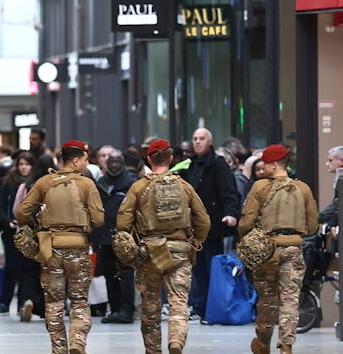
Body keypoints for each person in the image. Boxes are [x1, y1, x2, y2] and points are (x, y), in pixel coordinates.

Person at [117, 139, 210, 354]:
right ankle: (176, 342)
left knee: (150, 307)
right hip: (180, 251)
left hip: (150, 252)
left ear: (148, 160)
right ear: (171, 158)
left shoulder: (139, 187)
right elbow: (203, 219)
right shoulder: (185, 186)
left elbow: (122, 223)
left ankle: (153, 350)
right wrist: (197, 239)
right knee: (179, 303)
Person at [16, 141, 105, 354]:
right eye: (85, 159)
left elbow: (21, 213)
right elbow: (99, 219)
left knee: (54, 302)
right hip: (78, 247)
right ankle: (77, 342)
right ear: (75, 160)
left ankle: (59, 348)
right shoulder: (86, 184)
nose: (87, 163)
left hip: (51, 249)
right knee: (80, 301)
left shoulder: (45, 182)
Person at [239, 144, 318, 354]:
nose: (262, 168)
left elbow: (246, 222)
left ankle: (263, 342)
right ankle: (286, 346)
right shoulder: (303, 189)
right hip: (293, 249)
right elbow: (312, 226)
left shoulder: (259, 187)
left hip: (266, 252)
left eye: (265, 164)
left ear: (274, 165)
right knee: (290, 299)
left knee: (266, 300)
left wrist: (248, 235)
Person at [183, 128, 241, 319]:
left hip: (213, 224)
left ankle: (210, 308)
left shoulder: (217, 164)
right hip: (193, 226)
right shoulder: (189, 165)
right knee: (197, 268)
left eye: (201, 139)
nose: (198, 142)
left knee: (212, 267)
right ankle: (199, 307)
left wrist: (231, 214)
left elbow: (229, 191)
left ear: (210, 141)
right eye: (195, 139)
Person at [92, 151, 139, 323]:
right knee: (109, 274)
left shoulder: (131, 183)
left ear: (123, 163)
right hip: (104, 236)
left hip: (125, 235)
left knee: (125, 274)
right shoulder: (101, 183)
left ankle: (127, 310)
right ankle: (115, 309)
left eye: (117, 162)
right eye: (110, 162)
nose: (113, 166)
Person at [0, 151, 35, 317]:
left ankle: (23, 303)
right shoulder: (9, 182)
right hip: (11, 231)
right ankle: (5, 302)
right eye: (21, 164)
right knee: (11, 268)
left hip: (30, 232)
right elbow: (0, 206)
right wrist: (7, 221)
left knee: (26, 269)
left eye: (27, 164)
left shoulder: (36, 183)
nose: (24, 168)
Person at [318, 145, 343, 227]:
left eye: (330, 160)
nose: (327, 164)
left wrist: (319, 217)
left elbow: (338, 205)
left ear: (341, 161)